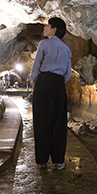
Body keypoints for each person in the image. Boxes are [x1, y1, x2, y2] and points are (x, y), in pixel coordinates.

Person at [29, 17, 72, 169]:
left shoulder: (44, 43)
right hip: (59, 84)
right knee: (59, 122)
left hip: (44, 81)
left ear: (54, 29)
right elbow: (68, 72)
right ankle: (59, 160)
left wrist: (35, 81)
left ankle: (42, 160)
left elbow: (37, 64)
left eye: (47, 26)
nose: (45, 28)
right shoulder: (67, 49)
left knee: (42, 121)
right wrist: (59, 82)